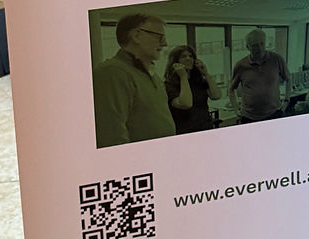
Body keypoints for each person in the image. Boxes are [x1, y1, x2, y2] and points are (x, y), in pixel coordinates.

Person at [93, 12, 189, 146]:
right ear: (137, 36)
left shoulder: (151, 74)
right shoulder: (112, 72)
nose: (165, 43)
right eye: (159, 37)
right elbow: (111, 138)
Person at [228, 28, 289, 122]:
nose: (260, 48)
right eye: (255, 45)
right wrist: (236, 109)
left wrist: (286, 100)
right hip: (249, 117)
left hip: (274, 114)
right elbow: (231, 89)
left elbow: (288, 79)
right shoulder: (240, 65)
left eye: (262, 43)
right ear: (247, 47)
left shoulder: (277, 59)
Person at [165, 43, 221, 134]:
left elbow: (216, 95)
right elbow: (186, 104)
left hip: (205, 127)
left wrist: (206, 74)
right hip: (185, 131)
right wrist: (183, 77)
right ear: (175, 61)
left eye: (190, 56)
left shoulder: (198, 80)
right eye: (183, 56)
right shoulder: (170, 84)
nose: (188, 58)